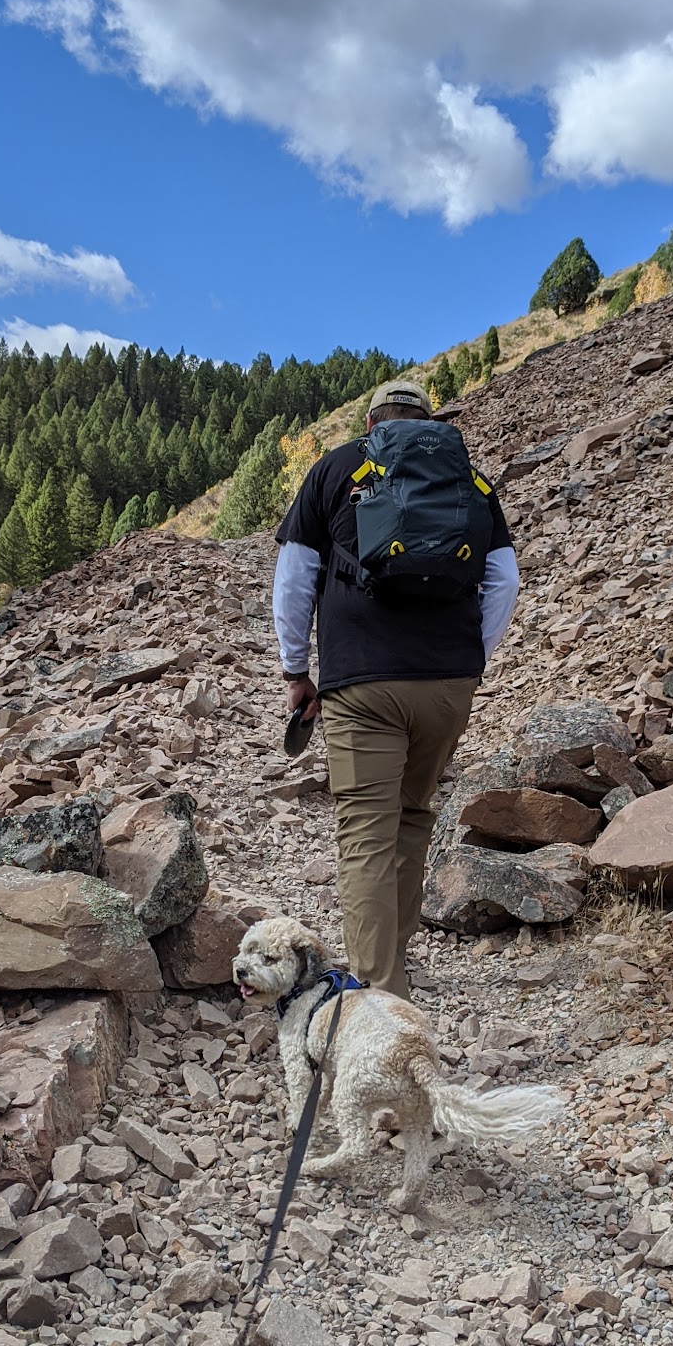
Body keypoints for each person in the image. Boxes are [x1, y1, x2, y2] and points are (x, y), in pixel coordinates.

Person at [271, 376, 520, 998]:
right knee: (413, 815)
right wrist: (470, 661)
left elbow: (295, 575)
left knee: (365, 831)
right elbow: (505, 581)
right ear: (426, 420)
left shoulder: (336, 469)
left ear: (371, 423)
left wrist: (297, 670)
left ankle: (378, 990)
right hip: (448, 685)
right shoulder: (471, 480)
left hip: (363, 684)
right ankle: (396, 959)